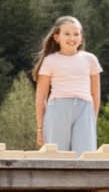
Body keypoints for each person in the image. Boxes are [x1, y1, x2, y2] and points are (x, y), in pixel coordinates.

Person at [33, 16, 102, 154]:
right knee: (56, 155)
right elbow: (41, 98)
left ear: (81, 38)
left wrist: (92, 120)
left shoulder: (90, 60)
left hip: (84, 110)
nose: (72, 38)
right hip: (57, 109)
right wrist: (40, 128)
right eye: (67, 34)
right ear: (56, 37)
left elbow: (95, 94)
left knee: (86, 155)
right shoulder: (50, 61)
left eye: (76, 34)